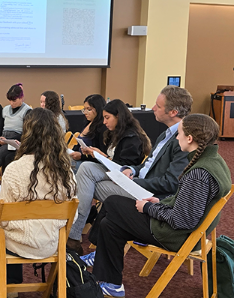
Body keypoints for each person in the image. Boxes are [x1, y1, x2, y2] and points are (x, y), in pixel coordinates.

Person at [80, 114, 231, 298]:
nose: (177, 138)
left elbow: (183, 220)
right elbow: (184, 204)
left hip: (174, 234)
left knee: (112, 202)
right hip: (184, 231)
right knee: (109, 224)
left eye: (180, 134)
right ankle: (112, 285)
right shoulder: (214, 161)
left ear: (190, 138)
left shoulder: (199, 173)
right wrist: (160, 203)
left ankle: (107, 273)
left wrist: (148, 209)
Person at [67, 87, 192, 255]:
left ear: (173, 112)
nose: (153, 108)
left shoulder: (183, 139)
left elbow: (171, 183)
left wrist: (133, 181)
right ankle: (75, 235)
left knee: (83, 183)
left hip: (148, 193)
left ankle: (73, 236)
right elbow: (147, 166)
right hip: (137, 182)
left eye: (158, 106)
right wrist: (132, 170)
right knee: (86, 171)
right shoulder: (166, 135)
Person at [0, 108, 76, 298]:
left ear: (26, 134)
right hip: (52, 242)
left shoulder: (15, 169)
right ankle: (13, 283)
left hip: (20, 243)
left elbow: (2, 217)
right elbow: (70, 215)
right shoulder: (66, 171)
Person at [68, 94, 107, 172]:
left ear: (98, 109)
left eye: (89, 109)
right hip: (81, 160)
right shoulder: (88, 123)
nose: (85, 112)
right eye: (84, 109)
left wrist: (82, 156)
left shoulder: (103, 127)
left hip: (90, 163)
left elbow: (101, 154)